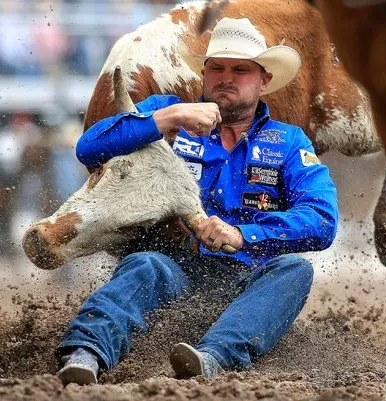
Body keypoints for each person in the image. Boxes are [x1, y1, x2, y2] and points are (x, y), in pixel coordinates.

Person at [56, 17, 338, 385]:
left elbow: (322, 219)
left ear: (264, 80)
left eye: (241, 70)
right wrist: (169, 116)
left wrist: (242, 234)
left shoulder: (288, 142)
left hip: (247, 279)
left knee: (295, 271)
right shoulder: (168, 113)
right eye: (217, 67)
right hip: (170, 269)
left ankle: (214, 358)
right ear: (203, 74)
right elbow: (89, 147)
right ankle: (85, 354)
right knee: (145, 263)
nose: (226, 77)